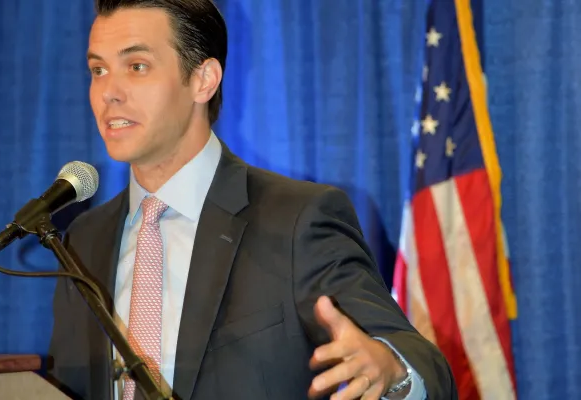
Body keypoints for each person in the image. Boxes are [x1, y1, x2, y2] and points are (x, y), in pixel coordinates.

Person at [47, 0, 456, 399]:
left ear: (204, 79)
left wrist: (392, 369)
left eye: (137, 67)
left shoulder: (297, 220)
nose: (108, 93)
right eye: (98, 69)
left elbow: (425, 365)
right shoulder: (84, 239)